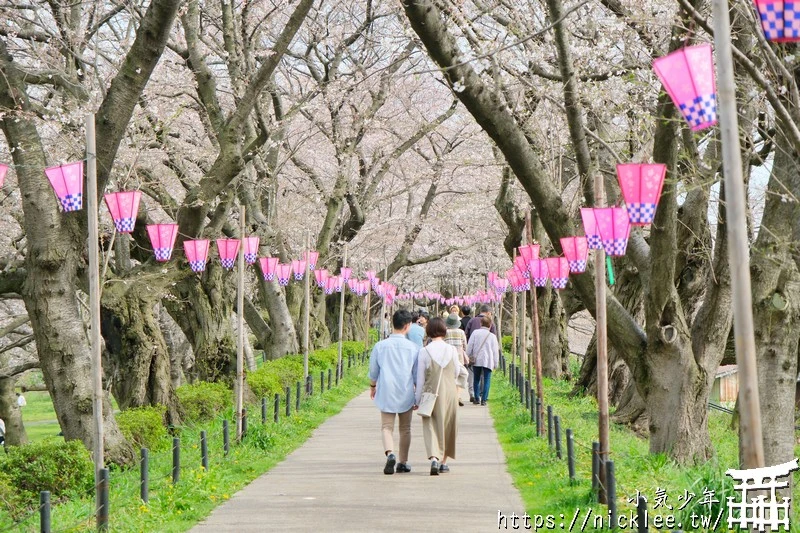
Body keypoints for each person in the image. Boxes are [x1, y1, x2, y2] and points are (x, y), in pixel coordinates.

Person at [415, 317, 467, 475]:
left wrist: (417, 400)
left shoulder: (424, 351)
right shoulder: (451, 350)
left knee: (430, 425)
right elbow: (457, 372)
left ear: (428, 331)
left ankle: (434, 459)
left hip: (430, 392)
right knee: (448, 424)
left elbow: (420, 378)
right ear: (444, 331)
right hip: (449, 391)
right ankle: (444, 461)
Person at [369, 310, 419, 475]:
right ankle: (403, 462)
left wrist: (372, 386)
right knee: (405, 428)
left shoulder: (380, 346)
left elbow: (374, 371)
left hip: (386, 390)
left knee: (386, 427)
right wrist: (417, 393)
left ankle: (390, 453)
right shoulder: (413, 348)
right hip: (405, 390)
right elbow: (417, 374)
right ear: (407, 326)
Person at [466, 315, 500, 405]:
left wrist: (468, 356)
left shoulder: (475, 333)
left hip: (476, 360)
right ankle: (484, 400)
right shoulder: (492, 336)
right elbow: (495, 351)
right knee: (487, 379)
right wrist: (496, 363)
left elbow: (469, 346)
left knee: (476, 379)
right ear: (490, 325)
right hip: (488, 361)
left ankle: (477, 398)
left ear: (481, 323)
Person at [444, 313, 471, 405]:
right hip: (459, 357)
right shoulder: (461, 332)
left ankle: (450, 396)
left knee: (449, 377)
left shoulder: (445, 332)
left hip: (447, 357)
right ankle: (458, 395)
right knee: (459, 375)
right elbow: (465, 345)